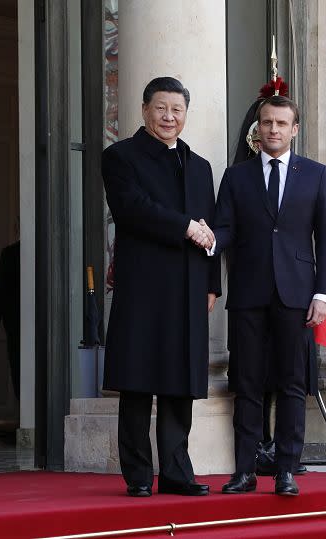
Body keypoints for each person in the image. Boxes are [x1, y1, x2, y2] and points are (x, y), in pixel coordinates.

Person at [102, 77, 221, 497]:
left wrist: (212, 284)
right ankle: (137, 475)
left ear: (185, 114)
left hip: (189, 286)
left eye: (177, 110)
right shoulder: (120, 157)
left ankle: (176, 472)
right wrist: (185, 227)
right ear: (144, 110)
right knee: (137, 380)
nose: (169, 117)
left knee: (179, 382)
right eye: (161, 108)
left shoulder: (200, 166)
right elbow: (133, 209)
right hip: (143, 285)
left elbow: (211, 229)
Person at [212, 95, 326, 496]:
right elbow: (225, 230)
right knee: (246, 384)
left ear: (294, 129)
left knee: (291, 384)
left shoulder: (315, 175)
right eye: (267, 123)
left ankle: (286, 470)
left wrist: (324, 293)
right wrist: (209, 238)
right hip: (248, 292)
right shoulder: (236, 176)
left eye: (282, 123)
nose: (274, 130)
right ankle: (244, 470)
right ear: (258, 128)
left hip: (298, 294)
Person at [0, 240, 21, 400]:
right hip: (16, 323)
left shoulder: (9, 253)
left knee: (17, 367)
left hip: (14, 323)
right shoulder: (10, 253)